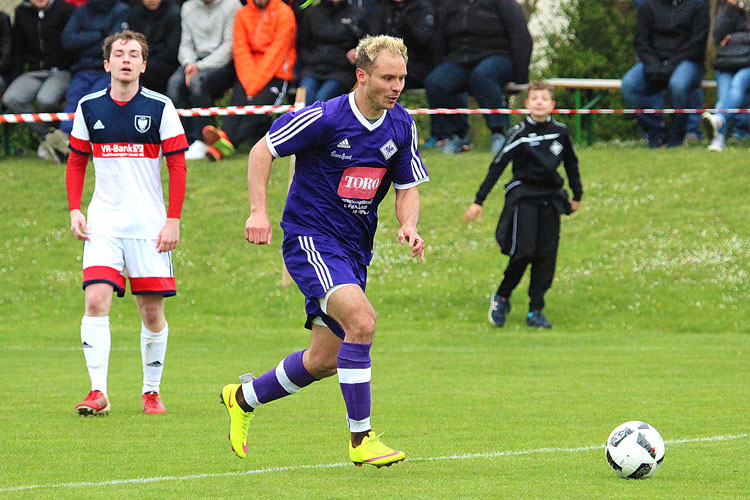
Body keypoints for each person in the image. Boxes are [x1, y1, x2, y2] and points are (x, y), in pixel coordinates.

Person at [219, 35, 428, 467]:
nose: (396, 86)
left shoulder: (401, 125)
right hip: (310, 238)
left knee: (323, 360)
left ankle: (243, 397)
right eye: (388, 78)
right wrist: (258, 212)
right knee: (363, 320)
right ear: (362, 75)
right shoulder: (324, 117)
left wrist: (409, 224)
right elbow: (262, 150)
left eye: (402, 78)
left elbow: (407, 188)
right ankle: (361, 439)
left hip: (354, 249)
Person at [65, 30, 188, 416]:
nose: (126, 60)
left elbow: (178, 164)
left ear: (143, 65)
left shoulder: (160, 107)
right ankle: (97, 392)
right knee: (95, 299)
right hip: (103, 222)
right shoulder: (89, 107)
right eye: (119, 54)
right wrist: (74, 208)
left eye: (134, 54)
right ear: (107, 64)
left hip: (148, 227)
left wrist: (172, 220)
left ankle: (151, 390)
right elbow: (76, 162)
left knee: (151, 311)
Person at [463, 81, 583, 329]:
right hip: (524, 199)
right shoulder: (518, 133)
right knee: (523, 252)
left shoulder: (560, 132)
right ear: (527, 104)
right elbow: (497, 166)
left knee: (546, 257)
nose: (539, 102)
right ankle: (502, 296)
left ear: (552, 105)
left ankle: (535, 310)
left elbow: (571, 164)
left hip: (551, 199)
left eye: (544, 98)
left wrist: (577, 195)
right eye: (535, 98)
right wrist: (479, 200)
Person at [424, 0, 532, 154]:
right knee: (435, 82)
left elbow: (521, 35)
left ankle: (498, 133)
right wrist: (439, 65)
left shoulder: (504, 3)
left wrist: (521, 76)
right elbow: (439, 40)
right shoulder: (450, 5)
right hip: (459, 60)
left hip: (497, 57)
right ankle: (458, 135)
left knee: (482, 76)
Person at [200, 0, 296, 161]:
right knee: (236, 105)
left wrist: (254, 86)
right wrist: (249, 83)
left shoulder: (284, 13)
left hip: (276, 75)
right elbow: (241, 50)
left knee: (256, 110)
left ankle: (225, 142)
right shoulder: (243, 14)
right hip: (248, 75)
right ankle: (224, 142)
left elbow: (276, 53)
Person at [620, 0, 709, 148]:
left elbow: (698, 43)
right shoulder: (648, 5)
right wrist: (654, 65)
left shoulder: (698, 4)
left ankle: (676, 135)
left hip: (688, 61)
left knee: (679, 85)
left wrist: (670, 65)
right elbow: (641, 41)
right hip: (654, 62)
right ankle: (656, 132)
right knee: (629, 85)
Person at [3, 0, 75, 164]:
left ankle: (62, 138)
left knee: (46, 100)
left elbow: (72, 44)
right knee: (12, 98)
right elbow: (18, 50)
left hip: (61, 70)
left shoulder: (65, 10)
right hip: (34, 71)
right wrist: (13, 78)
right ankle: (49, 137)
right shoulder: (21, 12)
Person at [167, 0, 241, 160]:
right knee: (174, 85)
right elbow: (185, 43)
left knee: (197, 83)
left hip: (222, 65)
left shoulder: (232, 5)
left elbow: (229, 46)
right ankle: (183, 141)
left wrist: (199, 66)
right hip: (193, 62)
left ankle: (203, 141)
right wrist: (189, 63)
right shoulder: (187, 7)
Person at [59, 0, 131, 137]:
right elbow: (67, 41)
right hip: (82, 69)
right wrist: (99, 34)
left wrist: (83, 39)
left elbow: (113, 46)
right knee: (73, 102)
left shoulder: (121, 10)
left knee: (94, 103)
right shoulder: (82, 10)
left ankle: (93, 143)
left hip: (108, 71)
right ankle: (67, 142)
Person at [701, 0, 750, 151]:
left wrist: (734, 38)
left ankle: (719, 120)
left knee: (737, 84)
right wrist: (731, 6)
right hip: (727, 61)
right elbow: (717, 33)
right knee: (723, 96)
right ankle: (718, 139)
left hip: (747, 62)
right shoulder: (726, 6)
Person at [296, 0, 364, 106]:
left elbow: (366, 41)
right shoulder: (312, 13)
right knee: (305, 98)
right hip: (313, 69)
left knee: (322, 98)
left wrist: (358, 50)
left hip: (341, 71)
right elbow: (302, 44)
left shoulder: (357, 13)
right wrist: (311, 59)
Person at [128, 0, 181, 94]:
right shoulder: (136, 14)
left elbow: (172, 50)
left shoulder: (173, 13)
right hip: (143, 62)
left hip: (167, 65)